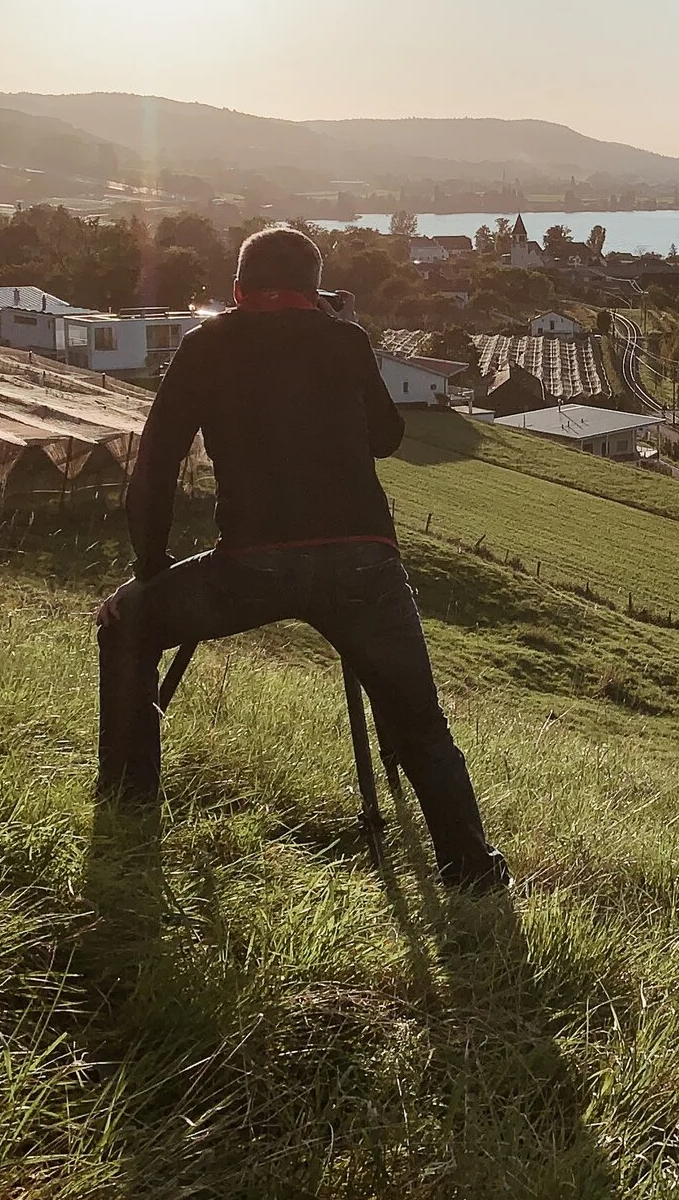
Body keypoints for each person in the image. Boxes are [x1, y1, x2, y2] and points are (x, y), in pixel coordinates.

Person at [95, 223, 507, 891]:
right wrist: (346, 336)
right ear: (315, 291)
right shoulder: (343, 340)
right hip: (365, 563)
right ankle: (473, 872)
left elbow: (156, 463)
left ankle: (129, 811)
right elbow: (387, 437)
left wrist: (150, 569)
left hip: (252, 565)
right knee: (420, 719)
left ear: (237, 289)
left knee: (125, 627)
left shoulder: (207, 346)